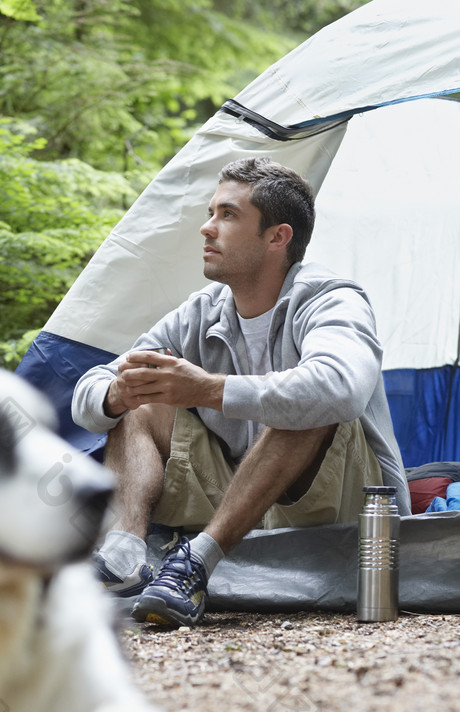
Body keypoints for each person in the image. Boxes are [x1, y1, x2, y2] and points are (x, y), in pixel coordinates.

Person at [71, 157, 410, 628]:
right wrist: (116, 393)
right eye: (211, 213)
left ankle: (194, 564)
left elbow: (340, 387)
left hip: (336, 499)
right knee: (143, 392)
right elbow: (87, 393)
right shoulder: (202, 312)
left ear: (277, 237)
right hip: (238, 496)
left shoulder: (331, 298)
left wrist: (208, 389)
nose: (207, 229)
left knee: (310, 398)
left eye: (227, 215)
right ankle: (123, 556)